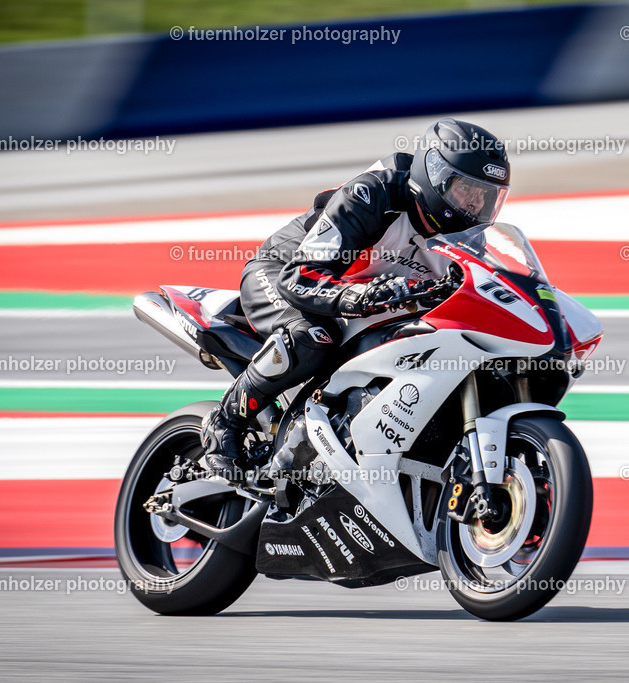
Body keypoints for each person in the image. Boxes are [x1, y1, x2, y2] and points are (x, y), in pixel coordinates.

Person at [201, 118, 512, 479]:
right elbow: (298, 276)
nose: (475, 204)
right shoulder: (373, 195)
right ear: (436, 174)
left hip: (364, 304)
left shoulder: (469, 242)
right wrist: (355, 295)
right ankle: (224, 424)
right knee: (313, 338)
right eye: (467, 190)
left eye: (486, 196)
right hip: (283, 271)